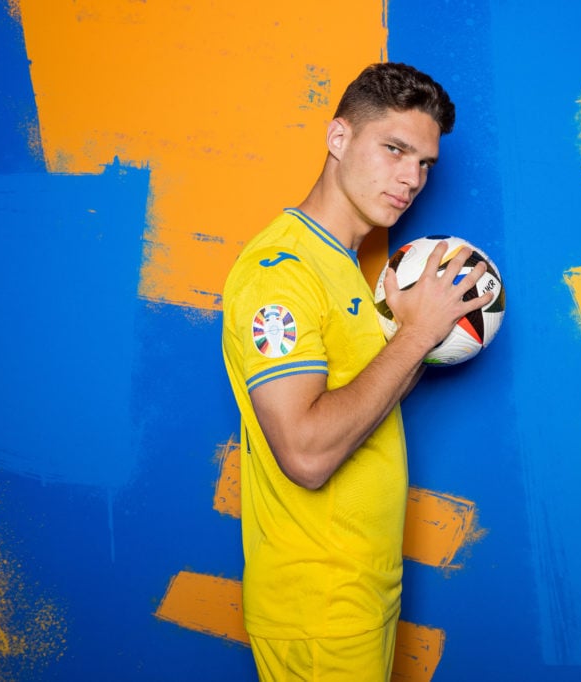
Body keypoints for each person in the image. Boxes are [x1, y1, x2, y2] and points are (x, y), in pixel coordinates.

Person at [221, 62, 491, 681]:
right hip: (319, 608)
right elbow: (307, 455)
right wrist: (419, 332)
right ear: (338, 138)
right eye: (394, 149)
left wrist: (415, 335)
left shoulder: (347, 267)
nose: (410, 179)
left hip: (360, 600)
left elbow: (363, 405)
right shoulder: (280, 274)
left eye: (424, 164)